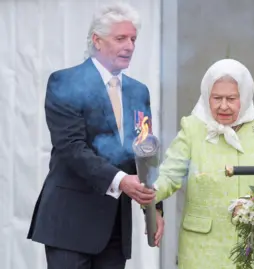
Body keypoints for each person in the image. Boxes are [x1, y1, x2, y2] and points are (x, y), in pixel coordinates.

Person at [27, 3, 164, 269]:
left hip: (114, 228)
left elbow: (145, 153)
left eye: (133, 39)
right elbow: (71, 147)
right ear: (97, 41)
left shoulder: (139, 92)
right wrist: (122, 181)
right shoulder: (65, 82)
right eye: (120, 38)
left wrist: (155, 208)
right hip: (70, 224)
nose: (130, 46)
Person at [152, 58, 254, 268]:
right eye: (216, 98)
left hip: (252, 245)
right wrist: (149, 193)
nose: (223, 106)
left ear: (244, 97)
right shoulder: (193, 127)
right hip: (200, 249)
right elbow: (169, 175)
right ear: (206, 95)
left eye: (231, 98)